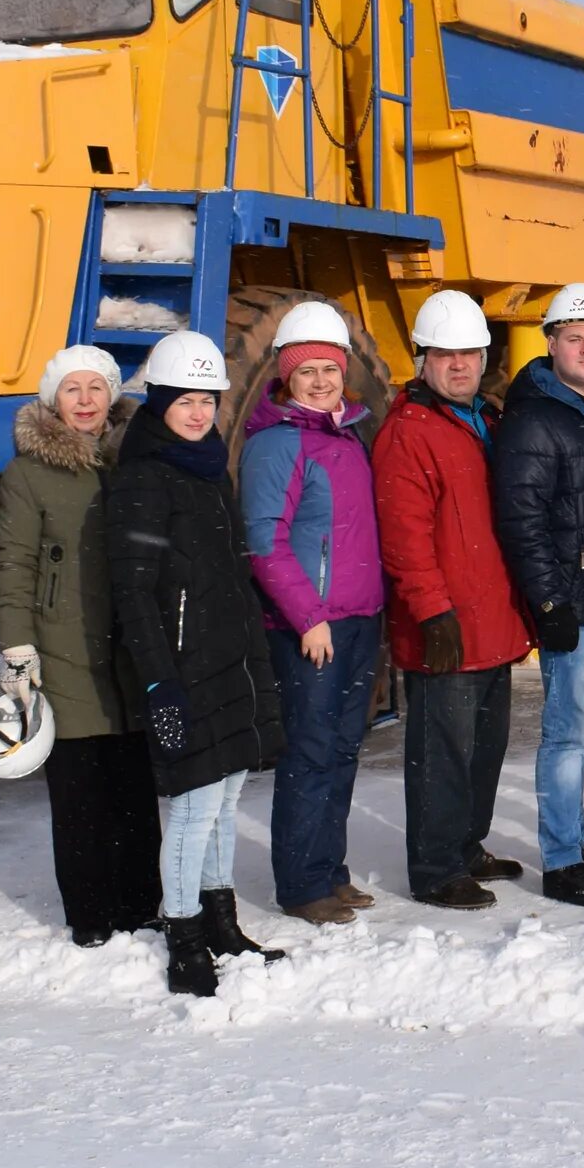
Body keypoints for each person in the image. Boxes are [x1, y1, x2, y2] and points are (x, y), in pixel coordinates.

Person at [106, 330, 287, 996]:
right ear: (158, 403)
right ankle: (184, 936)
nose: (197, 412)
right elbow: (133, 589)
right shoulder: (145, 478)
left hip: (228, 661)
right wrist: (160, 681)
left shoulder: (210, 469)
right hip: (184, 671)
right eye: (183, 400)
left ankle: (221, 923)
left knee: (225, 799)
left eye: (206, 401)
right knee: (193, 808)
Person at [0, 342, 160, 948]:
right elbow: (14, 563)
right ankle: (90, 915)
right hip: (64, 647)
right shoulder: (28, 473)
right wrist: (17, 647)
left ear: (112, 396)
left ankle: (142, 906)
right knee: (80, 793)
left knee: (135, 790)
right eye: (72, 389)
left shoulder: (137, 458)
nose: (85, 401)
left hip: (133, 647)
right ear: (52, 400)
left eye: (96, 388)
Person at [373, 290, 535, 912]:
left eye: (469, 352)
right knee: (442, 750)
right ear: (423, 359)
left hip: (493, 618)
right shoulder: (408, 435)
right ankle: (436, 867)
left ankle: (468, 845)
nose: (459, 364)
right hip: (447, 624)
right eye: (446, 354)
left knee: (485, 746)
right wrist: (431, 610)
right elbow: (404, 537)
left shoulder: (486, 422)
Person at [494, 283, 584, 908]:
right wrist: (550, 603)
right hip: (573, 607)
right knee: (565, 735)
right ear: (551, 342)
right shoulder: (535, 419)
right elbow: (521, 519)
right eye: (573, 338)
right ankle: (559, 861)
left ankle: (577, 836)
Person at [238, 300, 387, 927]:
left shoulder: (347, 435)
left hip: (359, 618)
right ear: (286, 378)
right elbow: (264, 541)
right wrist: (307, 616)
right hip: (313, 626)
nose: (321, 381)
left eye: (329, 369)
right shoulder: (277, 444)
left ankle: (331, 871)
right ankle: (301, 884)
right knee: (310, 750)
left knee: (344, 748)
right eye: (307, 373)